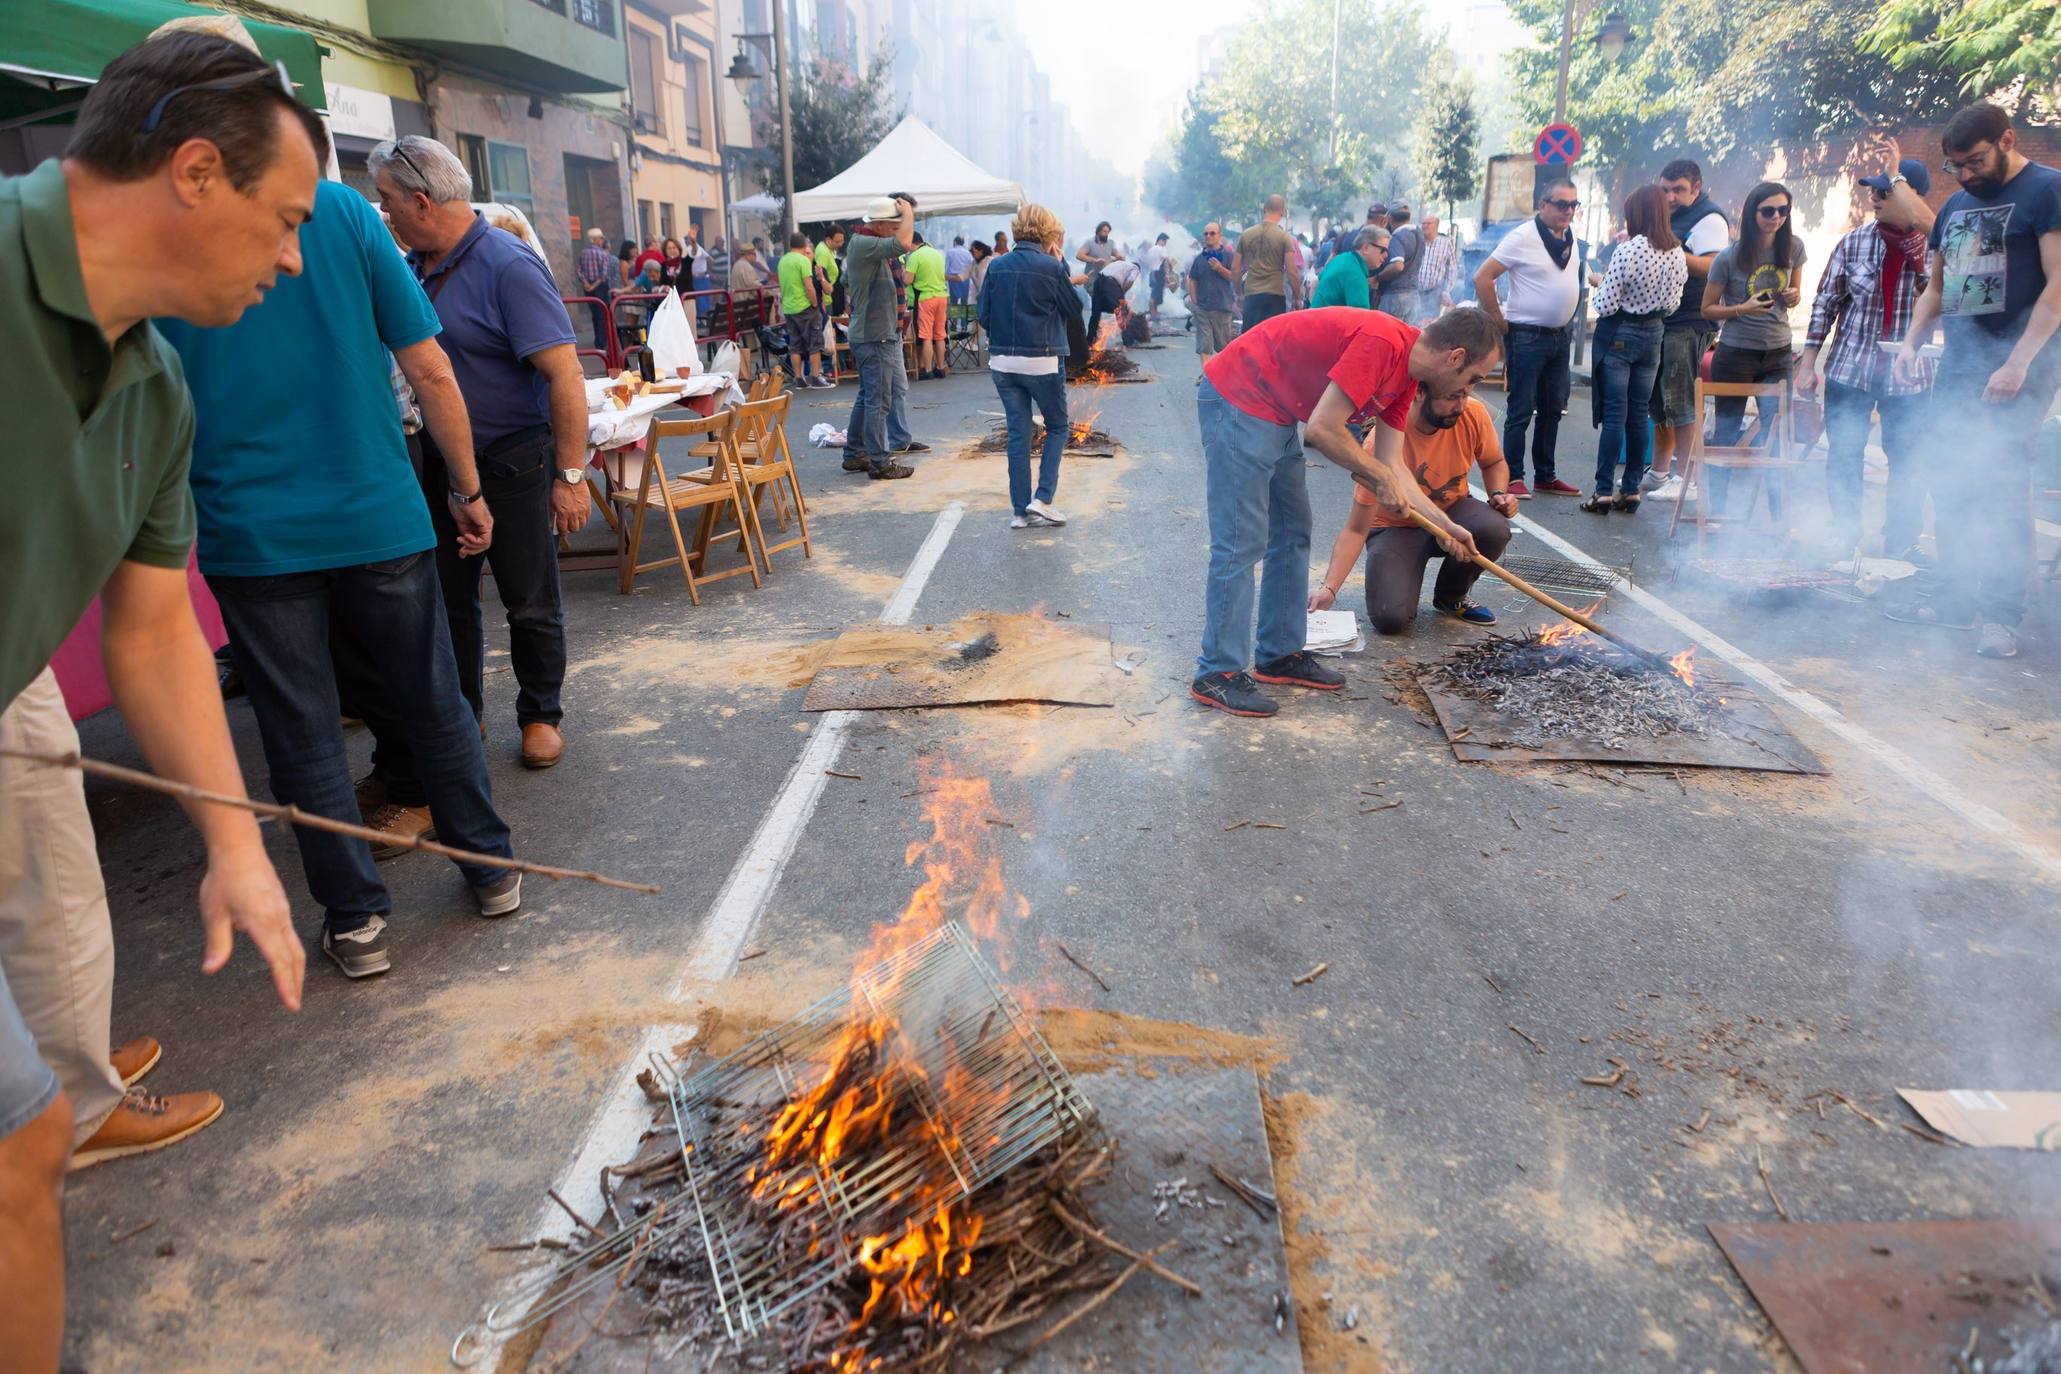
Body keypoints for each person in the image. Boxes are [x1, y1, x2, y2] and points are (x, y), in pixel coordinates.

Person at [2, 29, 314, 1354]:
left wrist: (235, 843)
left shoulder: (160, 385)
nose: (295, 256)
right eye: (286, 218)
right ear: (196, 172)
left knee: (25, 1146)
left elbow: (154, 632)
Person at [160, 172, 522, 980]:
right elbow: (429, 368)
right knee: (432, 696)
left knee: (301, 729)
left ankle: (355, 921)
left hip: (251, 529)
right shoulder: (340, 209)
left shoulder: (162, 224)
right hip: (374, 509)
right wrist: (466, 489)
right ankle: (491, 871)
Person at [370, 135, 586, 771]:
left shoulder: (507, 263)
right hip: (437, 463)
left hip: (512, 458)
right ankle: (467, 712)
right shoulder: (415, 265)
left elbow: (565, 375)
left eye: (386, 202)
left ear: (421, 200)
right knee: (448, 597)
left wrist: (570, 476)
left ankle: (541, 713)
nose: (382, 214)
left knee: (528, 595)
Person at [1191, 307, 1501, 718]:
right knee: (1241, 540)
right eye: (1474, 378)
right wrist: (1375, 474)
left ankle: (1278, 654)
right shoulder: (1383, 343)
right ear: (1455, 357)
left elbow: (1394, 466)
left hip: (1277, 411)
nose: (1472, 388)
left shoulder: (1408, 377)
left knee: (1294, 534)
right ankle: (1218, 672)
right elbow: (1323, 429)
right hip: (1238, 397)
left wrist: (1446, 525)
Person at [1890, 101, 2061, 659]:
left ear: (2007, 139)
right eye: (1954, 166)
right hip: (1960, 366)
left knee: (2001, 487)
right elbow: (1936, 290)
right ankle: (1956, 603)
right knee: (1953, 481)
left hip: (2021, 366)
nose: (1964, 174)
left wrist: (2019, 363)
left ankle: (2004, 618)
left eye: (1974, 160)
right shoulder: (1956, 207)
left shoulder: (2046, 191)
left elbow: (2058, 286)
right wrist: (1911, 344)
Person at [1795, 140, 1938, 557]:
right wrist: (1807, 366)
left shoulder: (1936, 249)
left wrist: (1920, 269)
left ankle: (1902, 541)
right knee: (1844, 452)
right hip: (1851, 368)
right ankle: (1844, 534)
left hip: (1909, 375)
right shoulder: (1854, 242)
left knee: (1907, 459)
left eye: (1884, 191)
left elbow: (1946, 308)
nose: (1873, 198)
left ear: (1911, 197)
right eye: (1872, 190)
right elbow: (1825, 304)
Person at [1310, 388, 1520, 633]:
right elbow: (1356, 530)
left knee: (1492, 528)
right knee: (1390, 618)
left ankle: (1451, 596)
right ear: (1419, 393)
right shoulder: (1379, 444)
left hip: (1453, 512)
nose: (1462, 405)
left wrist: (1497, 494)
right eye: (1451, 396)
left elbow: (1493, 461)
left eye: (1464, 395)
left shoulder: (1472, 412)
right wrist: (1329, 589)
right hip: (1394, 528)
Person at [1701, 180, 1807, 516]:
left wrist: (1794, 295)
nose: (1776, 217)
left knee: (1777, 436)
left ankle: (1778, 518)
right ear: (1752, 213)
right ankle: (1717, 513)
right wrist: (1741, 308)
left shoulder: (1793, 248)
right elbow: (1707, 308)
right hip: (1735, 354)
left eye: (1782, 210)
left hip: (1778, 353)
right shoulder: (1729, 257)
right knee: (1727, 434)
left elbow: (1795, 293)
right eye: (1768, 211)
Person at [1473, 175, 1584, 498]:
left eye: (1573, 204)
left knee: (1552, 408)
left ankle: (1545, 475)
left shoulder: (1570, 237)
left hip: (1559, 336)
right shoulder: (1522, 237)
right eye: (1561, 204)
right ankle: (1512, 476)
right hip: (1526, 334)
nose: (1568, 211)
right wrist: (1497, 318)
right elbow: (1483, 277)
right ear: (1543, 204)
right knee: (1521, 407)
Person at [1582, 185, 1687, 512]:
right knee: (1639, 414)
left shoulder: (1629, 250)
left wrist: (1599, 283)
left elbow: (1605, 304)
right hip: (1654, 336)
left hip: (1621, 335)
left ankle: (1602, 491)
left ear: (1637, 214)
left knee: (1615, 413)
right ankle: (1630, 490)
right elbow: (1673, 304)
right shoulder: (1677, 252)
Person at [979, 203, 1076, 530]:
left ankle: (1020, 511)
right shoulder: (1051, 267)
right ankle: (1042, 499)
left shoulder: (996, 265)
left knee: (1018, 434)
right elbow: (1074, 308)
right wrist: (1061, 268)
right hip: (1043, 359)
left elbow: (983, 315)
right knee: (1058, 426)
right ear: (1048, 233)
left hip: (1004, 361)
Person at [1646, 158, 1731, 493]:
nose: (1670, 196)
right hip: (1665, 320)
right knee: (1662, 402)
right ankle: (1660, 472)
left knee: (1681, 402)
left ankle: (1687, 481)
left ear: (1696, 188)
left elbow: (1714, 267)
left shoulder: (1709, 218)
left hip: (1690, 321)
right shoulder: (1670, 215)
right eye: (1665, 189)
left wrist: (1667, 253)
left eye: (1678, 190)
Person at [841, 195, 921, 479]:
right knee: (879, 400)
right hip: (875, 335)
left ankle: (854, 453)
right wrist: (909, 214)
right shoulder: (865, 244)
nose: (896, 229)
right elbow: (903, 243)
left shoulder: (865, 244)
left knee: (868, 397)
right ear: (879, 225)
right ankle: (879, 462)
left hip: (874, 333)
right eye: (893, 225)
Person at [1236, 195, 1299, 330]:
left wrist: (1238, 294)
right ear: (1282, 212)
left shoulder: (1246, 235)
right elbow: (1292, 271)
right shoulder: (1284, 237)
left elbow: (1235, 268)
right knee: (1271, 340)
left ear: (1264, 209)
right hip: (1274, 295)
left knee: (1250, 339)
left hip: (1252, 294)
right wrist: (1297, 297)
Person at [778, 230, 832, 388]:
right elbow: (809, 286)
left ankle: (798, 378)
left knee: (795, 345)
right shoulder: (802, 261)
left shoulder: (783, 261)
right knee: (815, 343)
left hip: (789, 308)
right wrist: (815, 303)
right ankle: (815, 377)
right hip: (805, 307)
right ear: (804, 245)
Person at [1187, 222, 1238, 360]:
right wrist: (1195, 302)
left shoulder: (1229, 256)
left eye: (1212, 233)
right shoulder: (1199, 258)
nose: (1208, 236)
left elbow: (1234, 277)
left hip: (1222, 307)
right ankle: (1206, 376)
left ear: (1219, 235)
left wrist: (1219, 268)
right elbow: (1192, 280)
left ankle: (1223, 375)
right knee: (1204, 346)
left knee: (1223, 347)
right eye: (1206, 233)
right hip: (1203, 309)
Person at [1311, 226, 1390, 309]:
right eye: (1383, 250)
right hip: (1328, 321)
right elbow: (1361, 316)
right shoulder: (1356, 276)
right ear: (1366, 248)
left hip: (1315, 317)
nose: (1386, 255)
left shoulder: (1341, 258)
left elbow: (1315, 282)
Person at [905, 231, 950, 379]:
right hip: (942, 297)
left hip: (925, 298)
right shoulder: (936, 253)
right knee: (940, 335)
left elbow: (908, 280)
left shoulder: (915, 256)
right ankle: (941, 367)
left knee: (926, 336)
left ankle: (928, 370)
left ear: (912, 242)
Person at [1377, 201, 1424, 320]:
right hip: (1413, 298)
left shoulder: (1398, 237)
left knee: (1388, 336)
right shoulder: (1419, 235)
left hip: (1395, 298)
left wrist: (1377, 277)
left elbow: (1397, 265)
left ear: (1390, 218)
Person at [1086, 255, 1140, 352]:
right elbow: (1130, 280)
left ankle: (1089, 341)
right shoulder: (1135, 268)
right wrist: (1122, 294)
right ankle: (1128, 340)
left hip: (1098, 281)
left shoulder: (1119, 264)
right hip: (1111, 284)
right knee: (1123, 311)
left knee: (1096, 313)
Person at [575, 226, 614, 351]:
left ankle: (598, 340)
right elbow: (604, 274)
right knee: (602, 314)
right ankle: (602, 343)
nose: (602, 241)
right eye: (601, 238)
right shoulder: (603, 253)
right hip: (600, 287)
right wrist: (594, 285)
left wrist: (586, 283)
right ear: (596, 239)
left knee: (594, 314)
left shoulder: (583, 253)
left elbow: (579, 270)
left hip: (588, 287)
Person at [1414, 213, 1457, 323]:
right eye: (1423, 223)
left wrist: (1446, 291)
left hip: (1434, 293)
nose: (1424, 226)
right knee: (1414, 321)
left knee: (1430, 324)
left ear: (1436, 225)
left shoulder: (1445, 243)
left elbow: (1452, 269)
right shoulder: (1416, 241)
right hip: (1415, 292)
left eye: (1428, 223)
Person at [815, 224, 847, 319]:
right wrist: (823, 302)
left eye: (842, 241)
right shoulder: (823, 252)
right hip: (826, 299)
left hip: (831, 294)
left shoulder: (830, 248)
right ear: (828, 240)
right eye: (838, 242)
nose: (841, 244)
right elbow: (820, 277)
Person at [1142, 232, 1172, 320]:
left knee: (1155, 293)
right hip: (1158, 273)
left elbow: (1148, 262)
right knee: (1154, 295)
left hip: (1152, 273)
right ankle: (1153, 315)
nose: (1165, 243)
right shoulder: (1161, 248)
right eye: (1165, 241)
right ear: (1161, 240)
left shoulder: (1152, 249)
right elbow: (1168, 260)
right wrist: (1171, 269)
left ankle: (1154, 313)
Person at [944, 234, 975, 306]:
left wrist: (945, 278)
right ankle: (964, 317)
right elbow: (971, 266)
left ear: (955, 242)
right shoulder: (968, 253)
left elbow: (946, 268)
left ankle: (954, 316)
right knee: (964, 301)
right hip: (964, 279)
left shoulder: (950, 252)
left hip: (953, 279)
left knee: (953, 301)